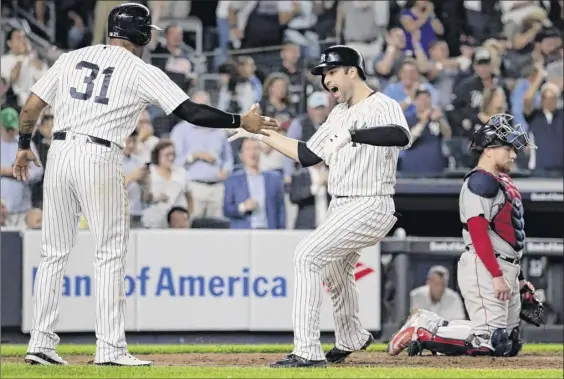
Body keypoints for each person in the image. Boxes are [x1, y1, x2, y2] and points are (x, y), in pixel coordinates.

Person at [12, 3, 277, 367]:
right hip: (99, 153)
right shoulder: (138, 69)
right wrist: (239, 120)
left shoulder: (72, 57)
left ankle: (40, 344)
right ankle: (110, 349)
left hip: (58, 151)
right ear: (140, 33)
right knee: (108, 254)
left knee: (53, 253)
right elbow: (190, 112)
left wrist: (25, 147)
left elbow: (30, 108)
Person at [228, 45, 412, 368]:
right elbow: (308, 154)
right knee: (333, 267)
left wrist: (355, 134)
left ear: (351, 71)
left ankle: (307, 351)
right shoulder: (338, 114)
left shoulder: (382, 104)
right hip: (341, 205)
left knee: (306, 255)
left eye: (331, 72)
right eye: (324, 75)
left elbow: (400, 135)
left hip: (370, 202)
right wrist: (261, 135)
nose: (326, 80)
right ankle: (351, 334)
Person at [388, 114, 543, 357]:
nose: (514, 154)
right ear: (489, 150)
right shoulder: (479, 181)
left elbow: (509, 236)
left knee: (510, 344)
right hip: (485, 266)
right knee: (492, 342)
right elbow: (478, 232)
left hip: (506, 266)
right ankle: (422, 330)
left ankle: (433, 323)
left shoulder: (501, 180)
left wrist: (519, 278)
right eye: (507, 148)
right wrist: (496, 275)